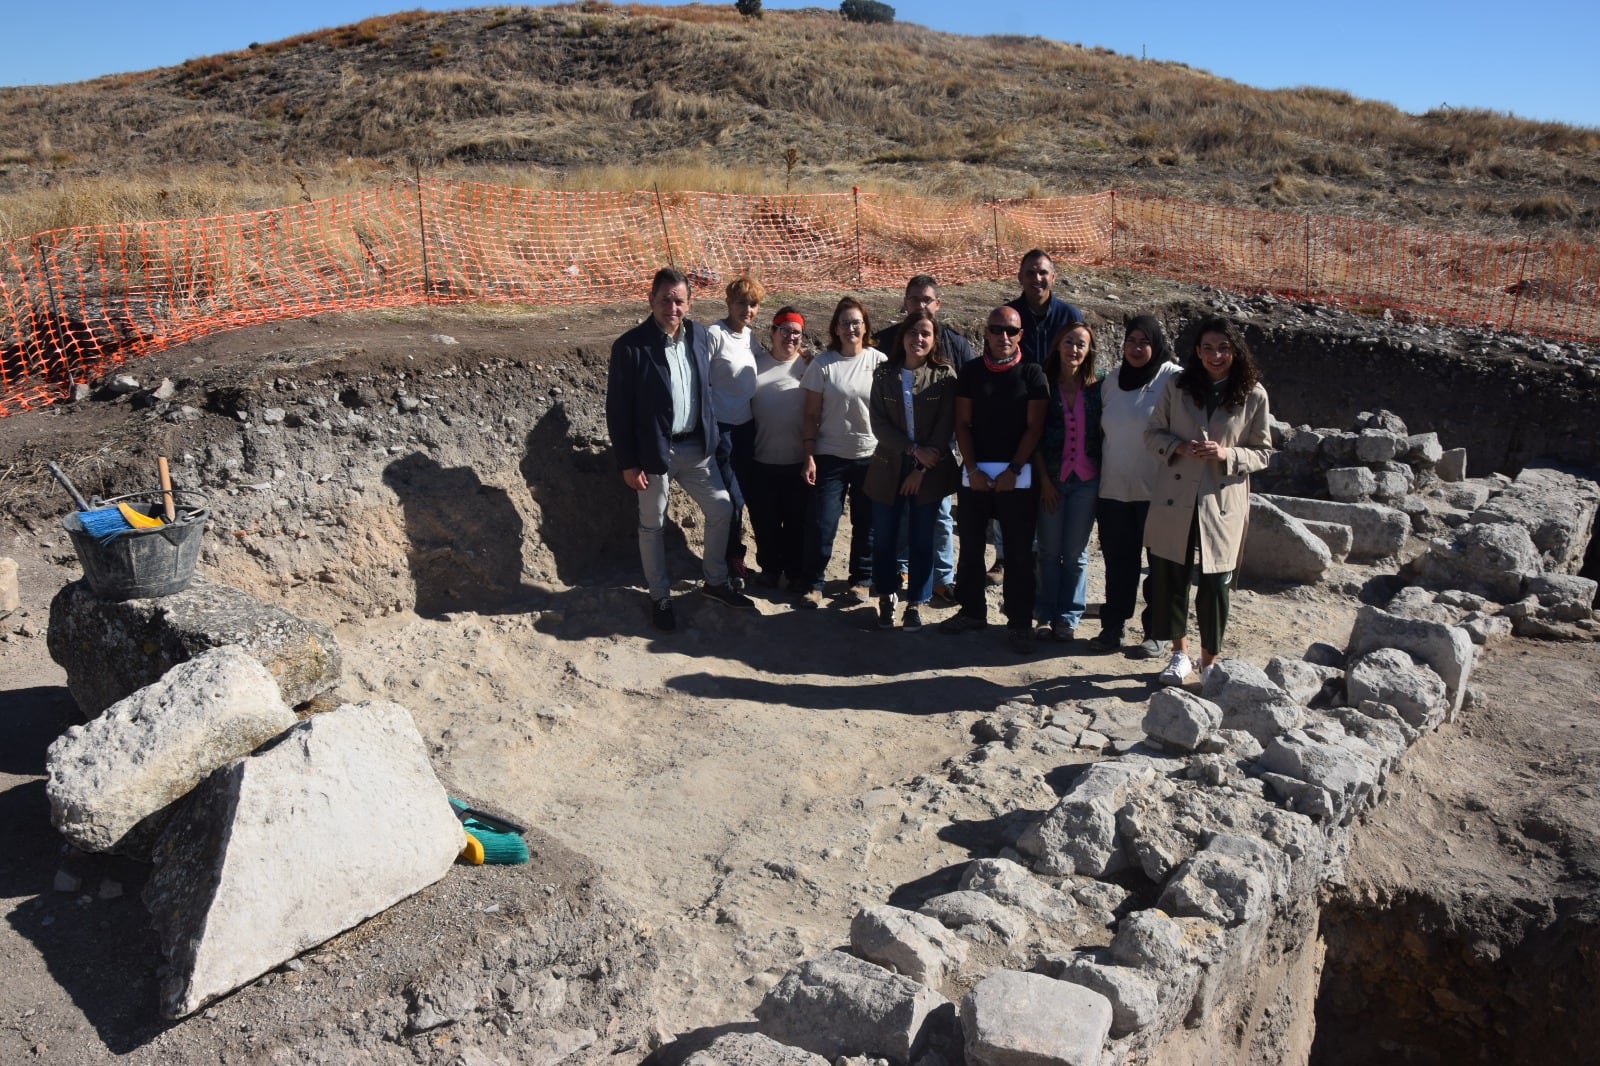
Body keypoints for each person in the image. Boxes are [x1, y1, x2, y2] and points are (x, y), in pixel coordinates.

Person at [606, 267, 756, 632]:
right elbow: (618, 410)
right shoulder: (630, 346)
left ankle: (715, 582)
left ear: (689, 303)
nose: (672, 307)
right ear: (651, 300)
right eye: (665, 300)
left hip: (697, 448)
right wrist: (628, 462)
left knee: (722, 508)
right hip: (653, 455)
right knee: (652, 524)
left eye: (679, 301)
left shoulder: (701, 337)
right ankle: (660, 596)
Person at [1143, 316, 1272, 686]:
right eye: (1208, 348)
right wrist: (1178, 446)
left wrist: (1226, 454)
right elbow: (1151, 434)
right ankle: (1179, 655)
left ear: (1235, 351)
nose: (1216, 355)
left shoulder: (1254, 394)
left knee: (1216, 583)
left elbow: (1262, 453)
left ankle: (1210, 660)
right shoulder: (1176, 385)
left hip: (1221, 501)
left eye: (1223, 348)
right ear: (1197, 352)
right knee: (1171, 576)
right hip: (1175, 496)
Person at [942, 306, 1047, 652]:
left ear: (1020, 335)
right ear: (985, 333)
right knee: (970, 547)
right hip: (976, 474)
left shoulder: (1033, 374)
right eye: (997, 329)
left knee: (1018, 553)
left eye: (1011, 331)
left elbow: (1035, 427)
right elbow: (962, 424)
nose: (1004, 337)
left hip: (1018, 477)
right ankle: (972, 611)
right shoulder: (971, 372)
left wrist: (1013, 470)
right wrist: (971, 470)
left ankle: (1019, 623)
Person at [872, 274, 976, 607]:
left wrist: (926, 458)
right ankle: (895, 582)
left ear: (937, 304)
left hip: (937, 456)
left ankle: (940, 580)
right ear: (904, 301)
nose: (920, 305)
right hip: (894, 457)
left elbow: (953, 410)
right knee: (894, 527)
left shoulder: (955, 347)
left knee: (937, 521)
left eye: (927, 300)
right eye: (914, 299)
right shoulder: (885, 352)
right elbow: (878, 419)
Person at [865, 308, 958, 632]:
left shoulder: (945, 377)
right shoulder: (883, 374)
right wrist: (911, 450)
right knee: (885, 537)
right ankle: (887, 595)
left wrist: (920, 465)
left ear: (934, 341)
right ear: (902, 336)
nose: (918, 339)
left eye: (925, 334)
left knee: (922, 539)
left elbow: (946, 426)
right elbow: (878, 423)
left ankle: (916, 602)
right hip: (889, 465)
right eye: (912, 332)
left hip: (930, 469)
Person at [1095, 314, 1181, 657]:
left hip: (1158, 493)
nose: (1136, 347)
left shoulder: (1173, 379)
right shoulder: (1112, 381)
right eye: (1131, 340)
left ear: (1157, 344)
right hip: (1113, 489)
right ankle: (1112, 628)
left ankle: (1156, 632)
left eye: (1144, 341)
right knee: (1118, 564)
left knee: (1158, 566)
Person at [798, 297, 886, 608]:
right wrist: (808, 454)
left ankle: (861, 580)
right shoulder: (823, 365)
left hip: (870, 455)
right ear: (836, 327)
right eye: (845, 322)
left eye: (856, 322)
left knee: (867, 522)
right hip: (830, 456)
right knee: (823, 522)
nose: (851, 328)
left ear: (866, 327)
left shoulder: (879, 362)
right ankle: (813, 583)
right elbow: (810, 415)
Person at [1032, 319, 1101, 644]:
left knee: (1076, 553)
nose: (1074, 349)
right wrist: (1044, 480)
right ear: (1058, 345)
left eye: (1081, 344)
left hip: (1086, 481)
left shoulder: (1097, 388)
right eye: (1069, 342)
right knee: (1047, 551)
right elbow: (1035, 436)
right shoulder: (1043, 384)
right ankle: (1045, 614)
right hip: (1052, 480)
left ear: (1088, 351)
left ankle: (1069, 617)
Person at [747, 307, 812, 590]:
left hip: (798, 460)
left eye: (796, 332)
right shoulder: (756, 365)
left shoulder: (810, 367)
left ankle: (796, 572)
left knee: (797, 522)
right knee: (765, 521)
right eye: (784, 330)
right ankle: (770, 569)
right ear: (772, 332)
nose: (790, 337)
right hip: (762, 459)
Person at [707, 276, 765, 589]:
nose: (747, 309)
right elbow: (698, 378)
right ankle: (730, 558)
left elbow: (765, 365)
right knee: (732, 496)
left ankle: (734, 556)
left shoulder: (749, 337)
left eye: (753, 304)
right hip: (722, 428)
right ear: (728, 303)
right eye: (741, 302)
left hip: (747, 426)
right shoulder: (715, 334)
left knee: (744, 494)